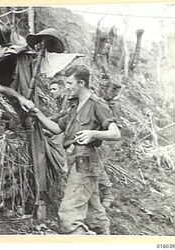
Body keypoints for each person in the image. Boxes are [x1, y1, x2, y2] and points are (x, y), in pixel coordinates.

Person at [30, 65, 121, 235]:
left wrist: (93, 133)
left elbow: (115, 133)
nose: (67, 87)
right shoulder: (74, 105)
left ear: (81, 83)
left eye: (70, 83)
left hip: (86, 159)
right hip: (78, 160)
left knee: (69, 216)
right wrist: (37, 114)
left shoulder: (96, 104)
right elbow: (57, 128)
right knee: (94, 216)